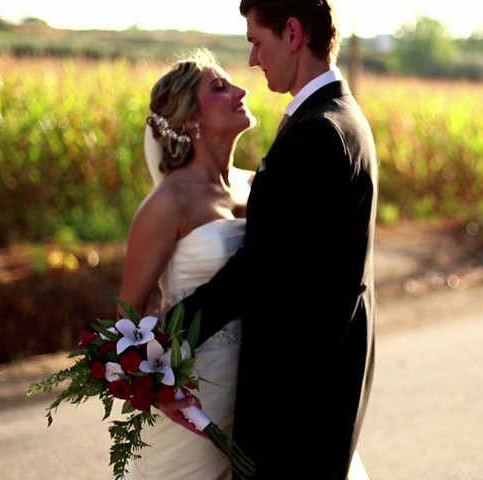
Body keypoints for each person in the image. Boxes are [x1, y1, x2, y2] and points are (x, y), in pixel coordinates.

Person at [160, 0, 378, 478]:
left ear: (294, 34)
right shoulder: (341, 117)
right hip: (318, 389)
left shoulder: (318, 132)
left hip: (295, 402)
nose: (254, 61)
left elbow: (258, 270)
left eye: (258, 42)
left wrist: (162, 338)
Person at [117, 49, 256, 479]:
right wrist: (157, 390)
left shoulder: (256, 185)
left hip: (255, 389)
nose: (241, 89)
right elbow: (126, 315)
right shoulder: (168, 203)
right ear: (191, 119)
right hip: (195, 399)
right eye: (220, 87)